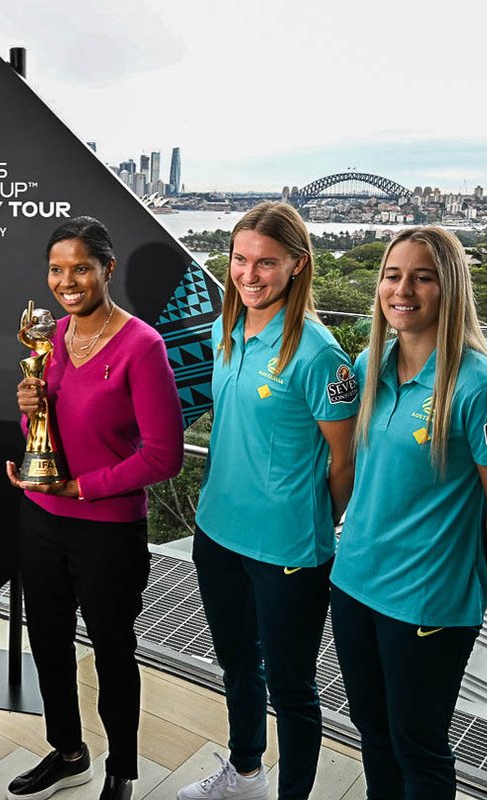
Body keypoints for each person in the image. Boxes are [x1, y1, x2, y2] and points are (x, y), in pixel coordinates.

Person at [331, 227, 487, 798]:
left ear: (451, 288)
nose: (403, 289)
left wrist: (466, 589)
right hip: (354, 585)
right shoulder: (372, 361)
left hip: (428, 603)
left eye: (423, 276)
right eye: (393, 275)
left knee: (419, 746)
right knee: (373, 732)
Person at [178, 203, 357, 800]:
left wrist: (308, 518)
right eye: (240, 259)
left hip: (287, 549)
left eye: (267, 263)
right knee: (237, 667)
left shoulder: (320, 355)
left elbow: (345, 460)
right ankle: (246, 774)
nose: (249, 275)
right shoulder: (225, 329)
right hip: (217, 533)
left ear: (297, 266)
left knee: (294, 688)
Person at [5, 216, 185, 800]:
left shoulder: (142, 345)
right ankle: (68, 751)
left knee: (112, 650)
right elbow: (49, 431)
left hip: (106, 529)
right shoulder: (50, 338)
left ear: (108, 268)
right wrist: (29, 407)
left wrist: (80, 489)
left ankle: (122, 770)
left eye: (80, 267)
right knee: (47, 640)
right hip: (40, 517)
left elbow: (164, 458)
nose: (67, 280)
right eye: (57, 269)